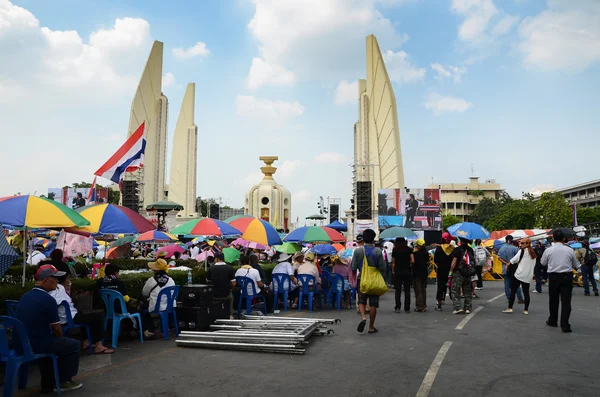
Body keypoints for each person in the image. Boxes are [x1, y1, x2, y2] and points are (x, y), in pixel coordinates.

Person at [15, 265, 83, 392]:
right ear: (46, 280)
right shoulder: (48, 299)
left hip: (20, 343)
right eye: (55, 278)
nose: (57, 281)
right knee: (72, 345)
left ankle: (48, 383)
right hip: (35, 344)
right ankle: (63, 380)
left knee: (53, 344)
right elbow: (57, 330)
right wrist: (61, 341)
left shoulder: (26, 296)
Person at [49, 269, 114, 354]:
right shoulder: (59, 288)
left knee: (85, 316)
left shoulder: (53, 290)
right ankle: (98, 345)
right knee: (97, 317)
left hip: (66, 316)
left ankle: (87, 341)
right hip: (69, 317)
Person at [351, 229, 386, 334]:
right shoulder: (377, 251)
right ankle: (371, 327)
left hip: (362, 279)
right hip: (374, 280)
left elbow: (353, 267)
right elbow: (383, 267)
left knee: (361, 301)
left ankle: (363, 318)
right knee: (373, 304)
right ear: (373, 238)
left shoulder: (358, 251)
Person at [141, 258, 176, 339]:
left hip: (156, 308)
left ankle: (148, 330)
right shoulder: (171, 280)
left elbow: (144, 293)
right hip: (170, 307)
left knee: (142, 307)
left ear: (155, 270)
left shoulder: (151, 280)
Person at [503, 238, 536, 315]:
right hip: (528, 276)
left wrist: (508, 265)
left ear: (527, 244)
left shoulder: (521, 251)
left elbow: (513, 260)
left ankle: (510, 308)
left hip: (519, 274)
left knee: (513, 291)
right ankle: (526, 310)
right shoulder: (533, 253)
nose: (521, 245)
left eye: (523, 243)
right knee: (526, 293)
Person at [449, 238, 475, 314]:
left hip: (458, 272)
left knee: (455, 290)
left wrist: (450, 271)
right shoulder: (470, 250)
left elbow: (454, 261)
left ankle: (457, 307)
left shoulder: (457, 249)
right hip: (468, 272)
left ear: (461, 241)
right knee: (467, 290)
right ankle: (467, 308)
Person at [207, 251, 236, 315]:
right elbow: (234, 283)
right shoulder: (230, 268)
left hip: (214, 294)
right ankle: (230, 315)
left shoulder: (211, 268)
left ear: (216, 259)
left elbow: (207, 281)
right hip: (226, 293)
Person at [498, 235, 523, 303]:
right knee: (516, 284)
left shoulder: (502, 248)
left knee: (507, 283)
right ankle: (520, 298)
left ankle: (509, 298)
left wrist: (506, 263)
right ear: (511, 240)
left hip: (505, 268)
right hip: (514, 268)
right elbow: (518, 258)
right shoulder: (515, 248)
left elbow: (499, 258)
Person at [433, 232, 454, 311]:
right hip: (451, 271)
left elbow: (436, 261)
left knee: (440, 287)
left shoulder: (439, 249)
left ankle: (439, 303)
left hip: (441, 270)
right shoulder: (452, 249)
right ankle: (456, 304)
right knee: (452, 286)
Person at [392, 237, 413, 313]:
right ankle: (407, 307)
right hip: (407, 271)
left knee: (398, 290)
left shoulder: (395, 250)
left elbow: (393, 262)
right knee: (407, 290)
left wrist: (393, 270)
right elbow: (413, 260)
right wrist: (408, 262)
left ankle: (397, 307)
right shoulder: (409, 249)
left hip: (398, 271)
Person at [412, 238, 430, 312]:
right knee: (423, 289)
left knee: (418, 290)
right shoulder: (426, 253)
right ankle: (424, 305)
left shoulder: (415, 254)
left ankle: (419, 306)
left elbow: (413, 262)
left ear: (418, 245)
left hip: (417, 273)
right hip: (424, 273)